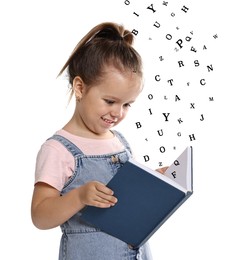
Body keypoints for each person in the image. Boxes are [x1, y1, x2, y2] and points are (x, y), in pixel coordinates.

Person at [31, 22, 159, 260]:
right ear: (80, 87)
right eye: (110, 101)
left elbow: (124, 195)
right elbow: (39, 215)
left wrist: (154, 181)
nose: (118, 113)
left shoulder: (119, 141)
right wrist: (79, 196)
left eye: (127, 104)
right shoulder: (59, 150)